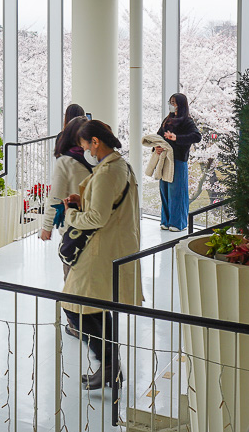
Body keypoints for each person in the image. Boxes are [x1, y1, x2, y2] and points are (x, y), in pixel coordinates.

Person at [61, 120, 142, 391]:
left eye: (84, 143)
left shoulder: (109, 172)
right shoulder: (119, 166)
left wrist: (72, 214)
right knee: (98, 307)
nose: (83, 148)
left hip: (101, 249)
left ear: (95, 141)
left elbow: (98, 217)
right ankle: (109, 367)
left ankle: (109, 365)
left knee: (74, 306)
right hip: (112, 246)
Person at [40, 115, 92, 255]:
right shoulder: (95, 158)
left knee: (72, 270)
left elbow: (55, 196)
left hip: (74, 225)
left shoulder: (65, 162)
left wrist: (46, 227)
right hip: (94, 222)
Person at [154, 94, 202, 232]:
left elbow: (196, 136)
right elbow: (158, 135)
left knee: (177, 191)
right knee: (164, 189)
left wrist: (176, 138)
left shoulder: (187, 121)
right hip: (165, 159)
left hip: (178, 160)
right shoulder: (168, 120)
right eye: (171, 102)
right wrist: (156, 146)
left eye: (174, 103)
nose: (172, 105)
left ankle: (178, 223)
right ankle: (166, 220)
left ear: (181, 104)